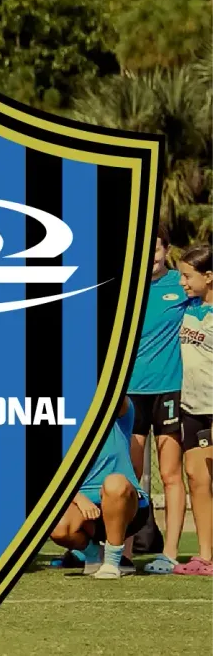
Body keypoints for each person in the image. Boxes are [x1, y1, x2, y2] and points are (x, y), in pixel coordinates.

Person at [129, 233, 189, 573]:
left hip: (169, 392)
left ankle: (168, 554)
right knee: (132, 475)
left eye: (154, 249)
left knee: (170, 475)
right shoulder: (127, 289)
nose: (150, 256)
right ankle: (120, 552)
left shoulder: (180, 287)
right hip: (130, 395)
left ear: (165, 250)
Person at [49, 397, 147, 580]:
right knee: (57, 525)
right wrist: (79, 499)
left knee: (114, 483)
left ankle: (112, 562)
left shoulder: (116, 415)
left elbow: (118, 395)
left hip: (125, 504)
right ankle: (94, 555)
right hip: (83, 508)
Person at [169, 245, 213, 575]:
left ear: (208, 277)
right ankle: (204, 557)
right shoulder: (187, 308)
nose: (182, 282)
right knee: (197, 478)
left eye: (187, 276)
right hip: (192, 408)